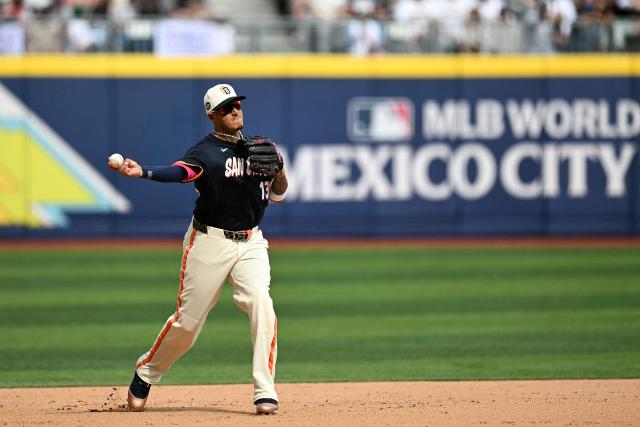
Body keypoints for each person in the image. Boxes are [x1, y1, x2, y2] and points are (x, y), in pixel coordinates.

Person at [108, 83, 288, 416]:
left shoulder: (261, 147)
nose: (234, 110)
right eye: (226, 107)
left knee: (262, 304)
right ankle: (146, 371)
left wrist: (279, 170)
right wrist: (144, 172)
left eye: (237, 104)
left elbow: (278, 194)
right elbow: (181, 172)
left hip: (251, 242)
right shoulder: (204, 152)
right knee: (188, 325)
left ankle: (265, 390)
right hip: (209, 242)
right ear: (212, 115)